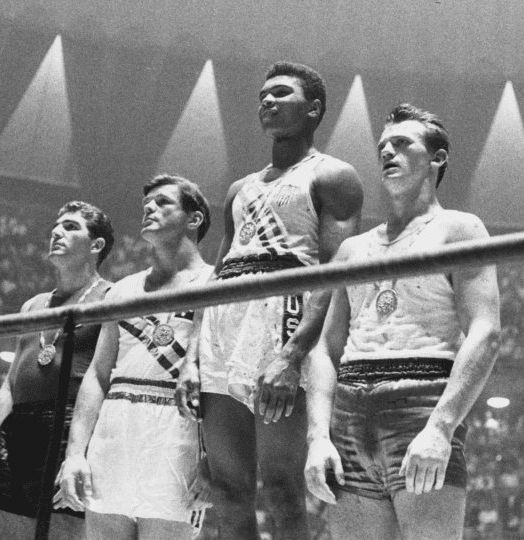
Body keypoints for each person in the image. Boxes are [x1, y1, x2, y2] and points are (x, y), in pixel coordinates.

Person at [176, 62, 363, 540]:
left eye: (281, 93)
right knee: (228, 488)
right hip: (224, 328)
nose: (267, 101)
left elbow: (334, 272)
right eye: (263, 95)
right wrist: (192, 357)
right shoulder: (240, 188)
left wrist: (293, 353)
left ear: (314, 109)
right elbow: (217, 276)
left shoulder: (334, 176)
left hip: (282, 321)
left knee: (280, 486)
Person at [304, 103, 501, 540]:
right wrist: (317, 437)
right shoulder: (354, 249)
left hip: (420, 405)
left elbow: (485, 333)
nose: (387, 152)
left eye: (402, 143)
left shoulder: (459, 229)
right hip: (349, 413)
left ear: (438, 158)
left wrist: (442, 427)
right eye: (382, 146)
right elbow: (325, 350)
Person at [59, 175, 213, 540]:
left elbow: (227, 381)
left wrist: (216, 459)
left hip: (179, 437)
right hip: (114, 432)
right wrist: (75, 454)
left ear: (194, 219)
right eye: (147, 205)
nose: (149, 209)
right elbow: (97, 375)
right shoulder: (124, 289)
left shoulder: (216, 283)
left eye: (163, 203)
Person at [0, 201, 114, 540]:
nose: (56, 231)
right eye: (56, 225)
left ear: (96, 246)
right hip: (19, 431)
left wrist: (78, 451)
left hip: (71, 428)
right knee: (6, 529)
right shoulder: (33, 305)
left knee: (65, 530)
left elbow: (106, 376)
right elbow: (9, 385)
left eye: (70, 227)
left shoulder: (112, 297)